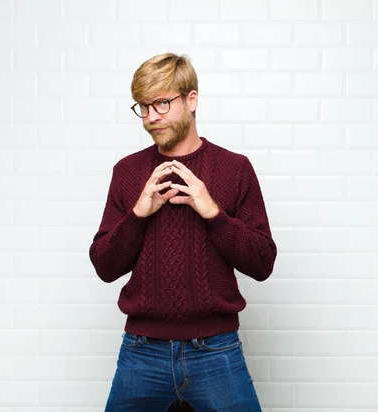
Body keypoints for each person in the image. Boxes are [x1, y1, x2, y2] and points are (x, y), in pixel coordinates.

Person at [89, 52, 277, 411]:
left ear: (192, 99)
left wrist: (213, 212)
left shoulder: (235, 169)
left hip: (216, 349)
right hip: (142, 350)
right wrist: (138, 214)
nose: (151, 117)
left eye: (162, 102)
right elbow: (104, 266)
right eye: (143, 107)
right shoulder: (127, 172)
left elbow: (263, 262)